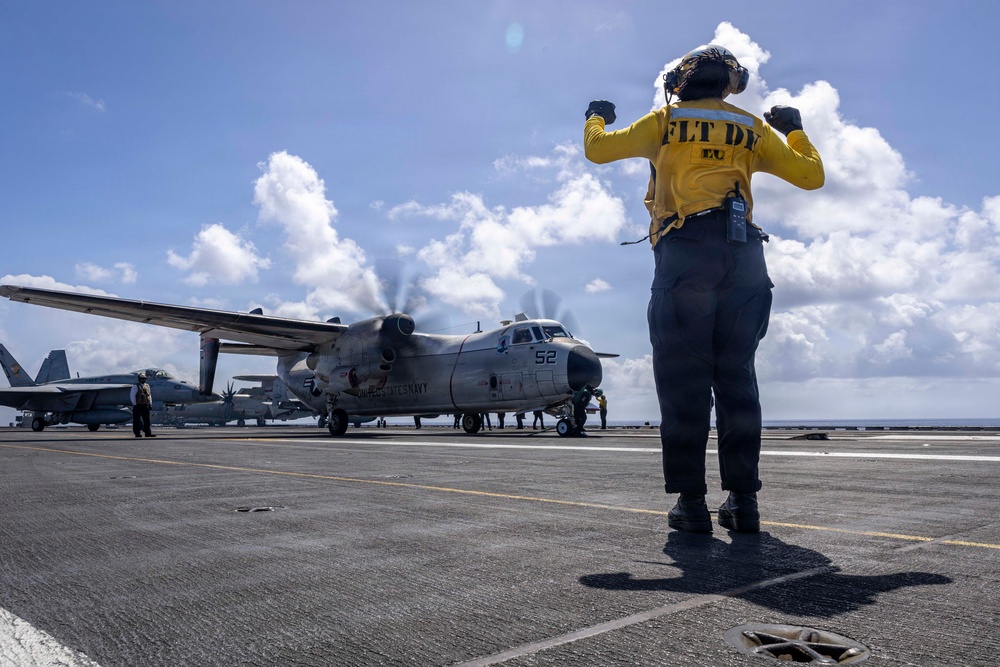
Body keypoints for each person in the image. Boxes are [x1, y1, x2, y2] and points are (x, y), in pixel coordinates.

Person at [584, 45, 823, 533]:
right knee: (737, 380)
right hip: (744, 258)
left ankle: (691, 505)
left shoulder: (666, 120)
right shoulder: (752, 127)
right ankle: (744, 503)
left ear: (682, 81)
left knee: (683, 384)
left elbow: (598, 150)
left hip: (686, 252)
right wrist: (793, 127)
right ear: (729, 84)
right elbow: (811, 175)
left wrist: (595, 118)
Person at [130, 372, 156, 438]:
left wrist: (150, 403)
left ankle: (148, 433)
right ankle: (137, 433)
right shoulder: (135, 386)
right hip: (138, 405)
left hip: (145, 405)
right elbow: (132, 396)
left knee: (147, 420)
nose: (143, 380)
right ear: (139, 379)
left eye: (144, 379)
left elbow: (149, 395)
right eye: (142, 379)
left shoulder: (147, 386)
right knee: (136, 420)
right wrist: (135, 404)